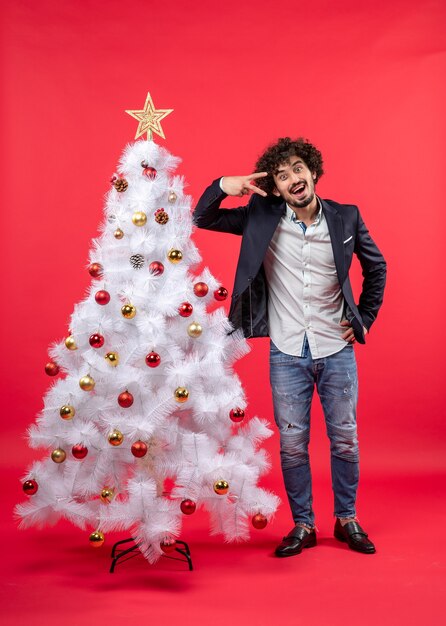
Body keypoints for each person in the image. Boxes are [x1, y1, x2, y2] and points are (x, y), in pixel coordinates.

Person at [193, 137, 386, 556]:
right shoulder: (260, 217)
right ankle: (304, 525)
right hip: (286, 350)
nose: (292, 178)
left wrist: (364, 319)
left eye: (297, 168)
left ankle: (347, 518)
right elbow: (201, 217)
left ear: (312, 172)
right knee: (293, 442)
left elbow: (377, 267)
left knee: (345, 438)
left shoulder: (346, 217)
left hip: (336, 348)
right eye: (281, 176)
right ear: (276, 189)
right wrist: (227, 184)